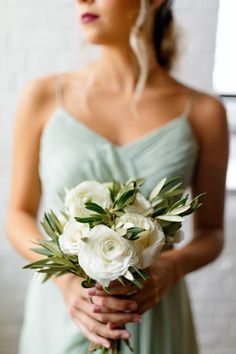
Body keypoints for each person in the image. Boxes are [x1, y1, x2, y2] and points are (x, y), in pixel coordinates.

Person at [6, 0, 229, 353]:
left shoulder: (204, 112)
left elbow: (212, 233)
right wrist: (64, 280)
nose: (82, 0)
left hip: (154, 311)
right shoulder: (44, 96)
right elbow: (18, 214)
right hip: (62, 311)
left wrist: (168, 269)